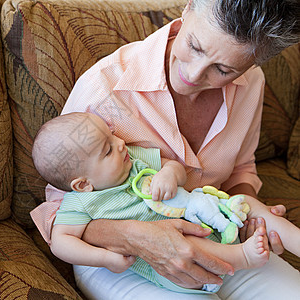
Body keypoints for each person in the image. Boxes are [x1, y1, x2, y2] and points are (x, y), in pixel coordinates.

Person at [30, 0, 300, 298]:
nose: (194, 75)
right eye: (195, 46)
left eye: (223, 69)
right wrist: (136, 238)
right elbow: (60, 209)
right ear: (187, 8)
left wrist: (251, 216)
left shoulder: (250, 82)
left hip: (214, 228)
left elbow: (241, 168)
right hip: (126, 260)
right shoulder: (106, 87)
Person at [32, 112, 289, 294]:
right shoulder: (81, 203)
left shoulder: (133, 161)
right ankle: (242, 257)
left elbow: (173, 166)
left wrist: (169, 174)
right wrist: (103, 258)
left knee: (246, 202)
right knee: (184, 241)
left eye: (112, 136)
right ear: (82, 184)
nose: (121, 143)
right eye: (108, 150)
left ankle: (295, 239)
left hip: (207, 222)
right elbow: (61, 243)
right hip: (175, 268)